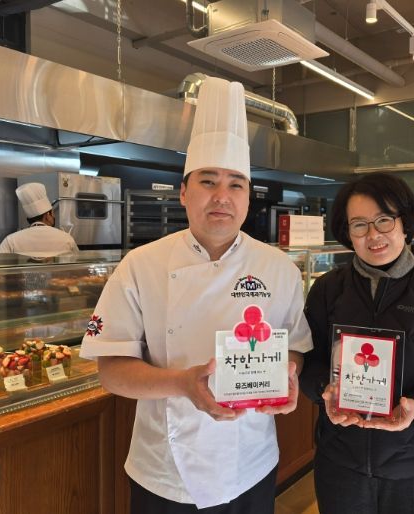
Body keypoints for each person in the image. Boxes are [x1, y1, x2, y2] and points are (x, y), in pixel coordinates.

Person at [79, 77, 312, 513]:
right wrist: (183, 384)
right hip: (164, 471)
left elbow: (295, 347)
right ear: (184, 192)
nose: (222, 197)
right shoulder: (140, 266)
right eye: (208, 181)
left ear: (248, 198)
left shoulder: (279, 269)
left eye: (236, 184)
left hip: (252, 462)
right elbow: (111, 373)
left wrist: (288, 376)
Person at [299, 173, 414, 514]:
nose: (373, 234)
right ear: (347, 232)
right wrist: (325, 389)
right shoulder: (328, 289)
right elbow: (308, 361)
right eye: (359, 224)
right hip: (340, 462)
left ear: (404, 223)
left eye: (384, 220)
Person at [0, 182, 78, 256]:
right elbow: (77, 262)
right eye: (53, 213)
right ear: (47, 215)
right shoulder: (66, 238)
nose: (54, 216)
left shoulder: (11, 240)